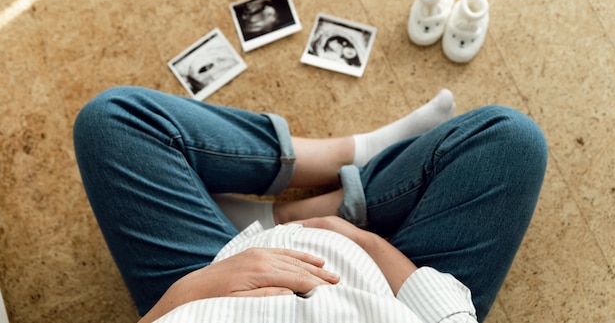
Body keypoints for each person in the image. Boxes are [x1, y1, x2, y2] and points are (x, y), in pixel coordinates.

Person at [73, 86, 547, 323]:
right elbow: (447, 316)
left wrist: (189, 293)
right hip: (386, 282)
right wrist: (359, 240)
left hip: (207, 281)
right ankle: (345, 179)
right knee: (509, 141)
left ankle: (320, 176)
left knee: (113, 121)